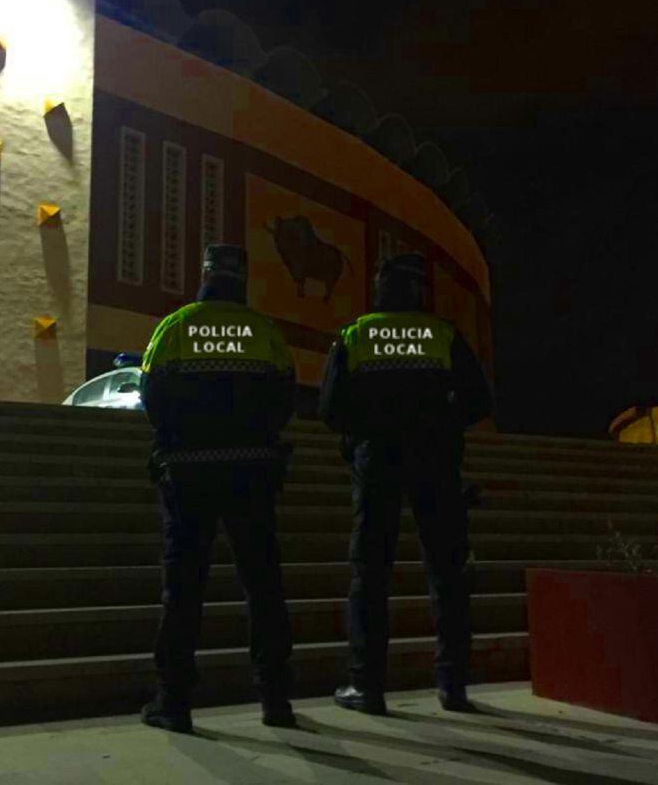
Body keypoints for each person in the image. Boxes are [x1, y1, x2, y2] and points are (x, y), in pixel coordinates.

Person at [318, 252, 493, 715]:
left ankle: (366, 686)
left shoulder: (356, 335)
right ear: (418, 291)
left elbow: (331, 408)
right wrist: (440, 423)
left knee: (370, 574)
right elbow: (479, 399)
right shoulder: (442, 335)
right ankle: (453, 686)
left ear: (379, 288)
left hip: (377, 464)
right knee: (448, 574)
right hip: (436, 463)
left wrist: (365, 431)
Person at [138, 244, 298, 733]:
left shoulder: (176, 326)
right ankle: (275, 700)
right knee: (264, 586)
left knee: (183, 589)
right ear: (242, 280)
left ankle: (174, 702)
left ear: (205, 273)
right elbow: (286, 397)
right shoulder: (265, 332)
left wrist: (176, 440)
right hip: (252, 473)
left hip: (188, 474)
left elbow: (150, 394)